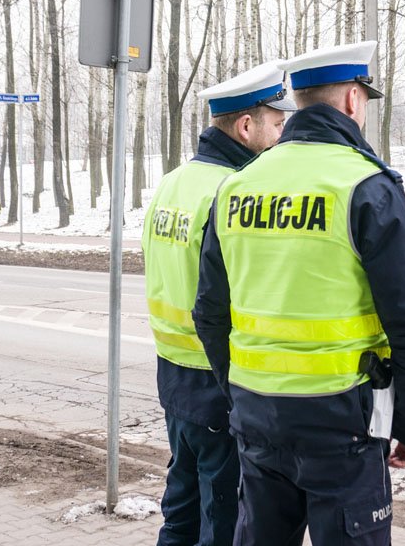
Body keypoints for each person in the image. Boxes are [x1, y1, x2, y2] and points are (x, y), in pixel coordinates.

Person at [193, 42, 405, 546]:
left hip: (257, 418)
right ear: (352, 100)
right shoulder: (366, 186)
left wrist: (239, 391)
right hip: (341, 425)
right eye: (365, 99)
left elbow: (210, 313)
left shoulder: (237, 187)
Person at [142, 61, 296, 546]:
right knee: (223, 515)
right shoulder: (232, 192)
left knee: (182, 504)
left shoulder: (172, 183)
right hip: (220, 378)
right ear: (246, 127)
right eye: (276, 124)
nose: (281, 135)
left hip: (174, 376)